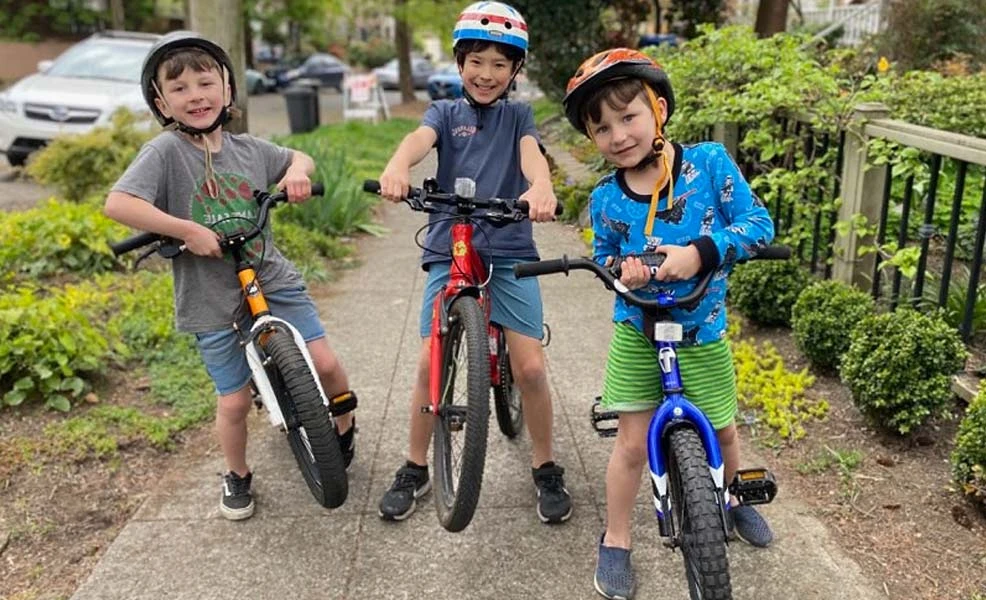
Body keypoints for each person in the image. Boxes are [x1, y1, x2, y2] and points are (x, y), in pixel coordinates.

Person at [103, 31, 358, 521]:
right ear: (161, 101)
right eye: (179, 89)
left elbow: (295, 158)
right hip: (209, 294)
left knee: (324, 363)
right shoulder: (164, 153)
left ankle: (343, 429)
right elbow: (119, 203)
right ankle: (238, 473)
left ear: (227, 89)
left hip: (270, 277)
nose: (195, 95)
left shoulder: (248, 149)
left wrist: (296, 174)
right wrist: (185, 230)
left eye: (206, 82)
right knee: (235, 401)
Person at [561, 48, 776, 599]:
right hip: (638, 332)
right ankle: (615, 538)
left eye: (628, 116)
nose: (617, 135)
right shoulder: (607, 197)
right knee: (631, 444)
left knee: (723, 429)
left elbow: (758, 224)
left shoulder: (708, 164)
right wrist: (620, 271)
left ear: (658, 108)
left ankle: (731, 498)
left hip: (702, 331)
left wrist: (702, 251)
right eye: (601, 127)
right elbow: (603, 254)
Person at [374, 1, 572, 524]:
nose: (487, 74)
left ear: (515, 72)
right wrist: (397, 165)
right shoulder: (444, 112)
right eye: (476, 61)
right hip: (450, 245)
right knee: (426, 363)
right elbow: (419, 141)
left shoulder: (518, 116)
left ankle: (546, 465)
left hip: (508, 249)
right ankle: (415, 466)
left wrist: (542, 185)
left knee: (530, 366)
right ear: (460, 63)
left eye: (500, 65)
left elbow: (531, 153)